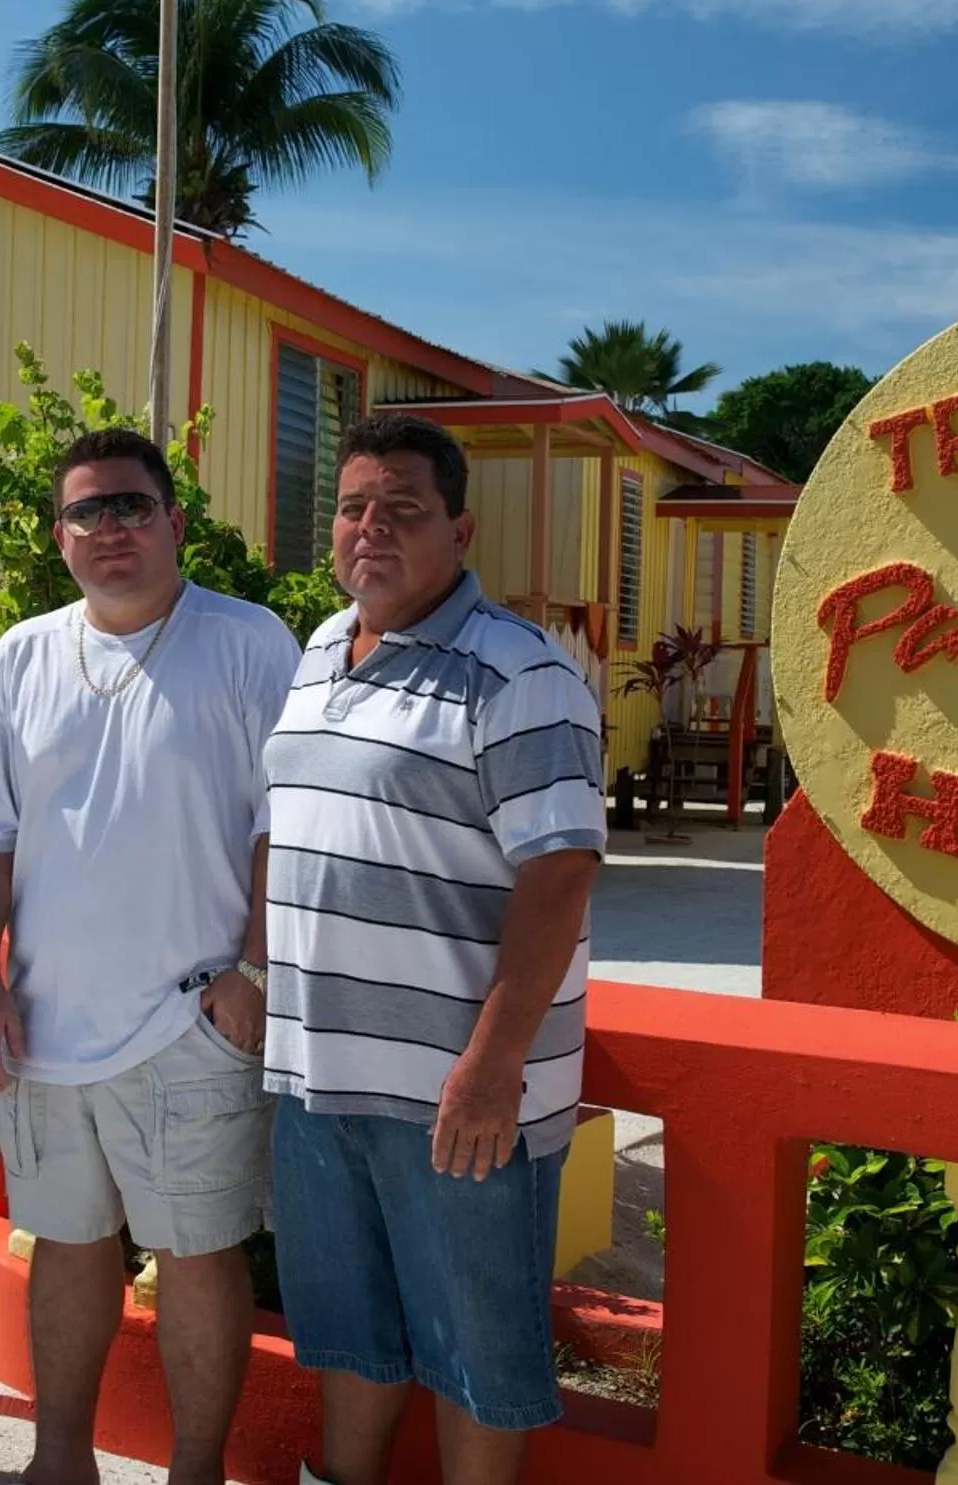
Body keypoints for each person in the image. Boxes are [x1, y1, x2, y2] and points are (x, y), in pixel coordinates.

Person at [0, 426, 301, 1485]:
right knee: (66, 1244)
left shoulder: (248, 642)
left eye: (131, 506)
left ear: (175, 522)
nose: (110, 529)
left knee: (199, 1255)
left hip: (194, 1020)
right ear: (58, 538)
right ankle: (62, 1459)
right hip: (46, 1025)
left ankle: (194, 1469)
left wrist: (257, 968)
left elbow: (288, 820)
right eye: (87, 512)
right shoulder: (20, 655)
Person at [261, 416, 606, 1485]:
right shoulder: (320, 645)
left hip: (459, 1093)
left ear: (459, 529)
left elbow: (558, 876)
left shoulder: (521, 673)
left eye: (403, 508)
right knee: (350, 1331)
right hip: (320, 1078)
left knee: (476, 1357)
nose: (373, 527)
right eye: (355, 506)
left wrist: (492, 1068)